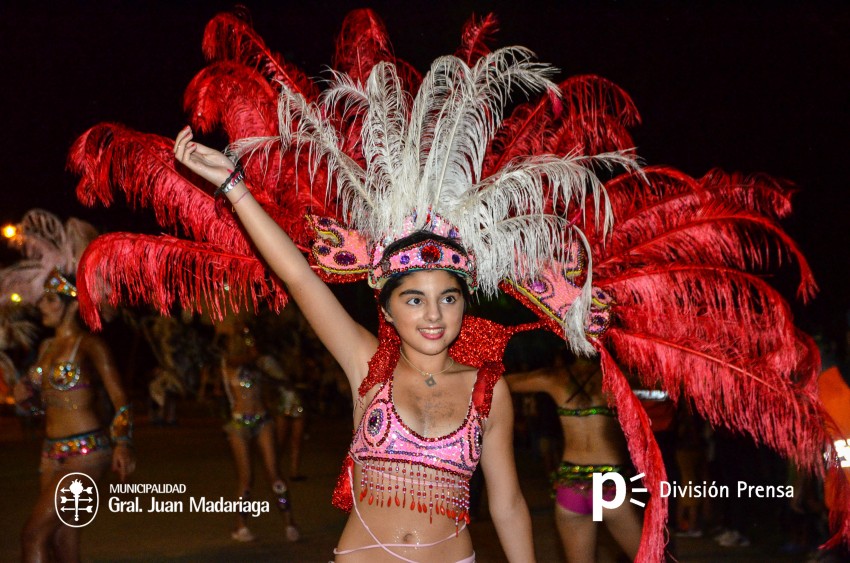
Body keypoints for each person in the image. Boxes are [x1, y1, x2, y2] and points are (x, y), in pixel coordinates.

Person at [170, 45, 596, 562]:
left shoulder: (489, 390)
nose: (434, 315)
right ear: (389, 309)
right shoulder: (366, 365)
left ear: (465, 305)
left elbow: (506, 502)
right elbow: (301, 278)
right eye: (415, 299)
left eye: (449, 298)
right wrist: (233, 185)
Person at [14, 268, 136, 561]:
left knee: (32, 536)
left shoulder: (91, 345)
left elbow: (120, 398)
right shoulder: (45, 348)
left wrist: (123, 442)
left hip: (87, 452)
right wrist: (24, 400)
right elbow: (41, 407)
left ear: (71, 305)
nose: (41, 305)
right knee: (59, 540)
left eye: (49, 299)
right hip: (50, 453)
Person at [505, 350, 642, 563]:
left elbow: (505, 382)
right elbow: (673, 383)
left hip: (570, 484)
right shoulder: (617, 377)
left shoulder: (555, 377)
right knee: (650, 558)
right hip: (609, 483)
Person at [219, 322, 299, 543]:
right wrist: (249, 341)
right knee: (246, 478)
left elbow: (276, 377)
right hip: (238, 423)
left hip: (262, 420)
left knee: (275, 474)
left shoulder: (259, 364)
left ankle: (290, 524)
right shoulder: (229, 362)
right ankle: (241, 526)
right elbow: (245, 359)